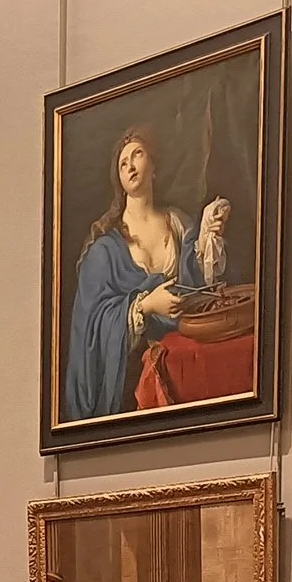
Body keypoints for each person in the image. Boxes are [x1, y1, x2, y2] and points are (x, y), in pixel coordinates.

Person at [60, 126, 206, 422]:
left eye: (137, 154)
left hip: (183, 364)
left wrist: (210, 234)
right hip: (127, 379)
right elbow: (89, 325)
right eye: (123, 162)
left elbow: (204, 282)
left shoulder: (178, 223)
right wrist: (145, 306)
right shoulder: (104, 248)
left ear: (153, 166)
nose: (129, 165)